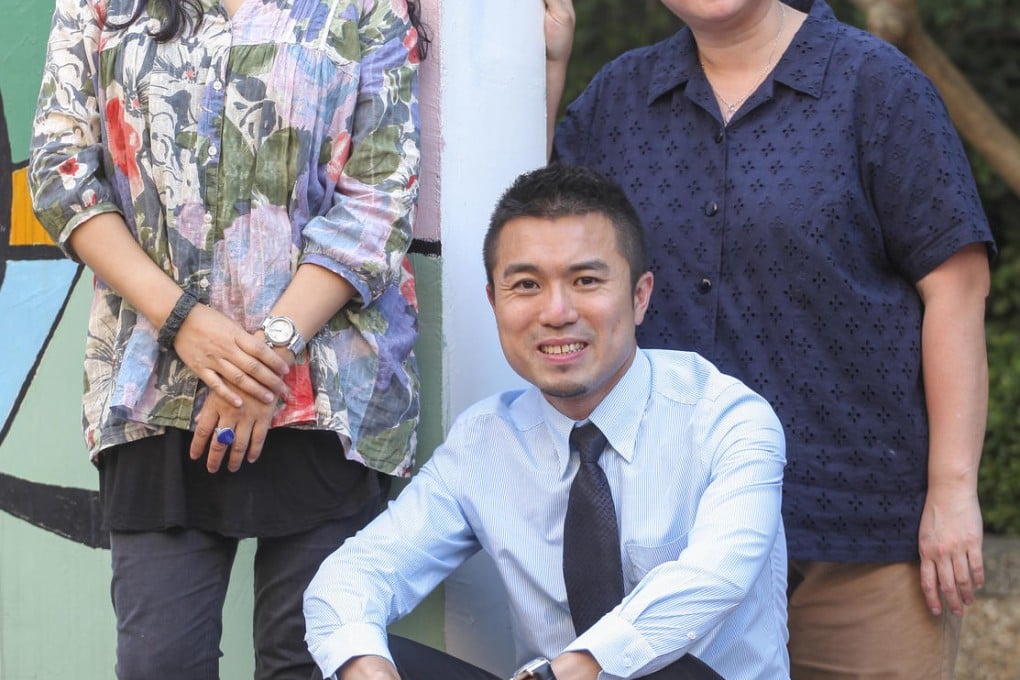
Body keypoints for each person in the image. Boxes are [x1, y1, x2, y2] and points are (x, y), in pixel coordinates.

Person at [544, 0, 996, 677]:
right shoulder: (618, 98)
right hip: (670, 545)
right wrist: (550, 68)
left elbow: (956, 290)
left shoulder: (877, 87)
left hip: (851, 538)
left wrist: (953, 489)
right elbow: (531, 248)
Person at [29, 0, 427, 677]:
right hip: (153, 384)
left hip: (325, 388)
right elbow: (61, 175)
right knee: (160, 662)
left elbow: (382, 189)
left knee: (308, 660)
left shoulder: (365, 5)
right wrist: (184, 322)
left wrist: (268, 354)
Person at [304, 164, 789, 680]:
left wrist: (570, 669)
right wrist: (366, 667)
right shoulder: (485, 440)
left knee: (679, 674)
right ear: (494, 301)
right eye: (527, 284)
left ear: (640, 295)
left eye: (586, 280)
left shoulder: (727, 418)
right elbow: (350, 577)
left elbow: (715, 576)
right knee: (346, 664)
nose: (556, 312)